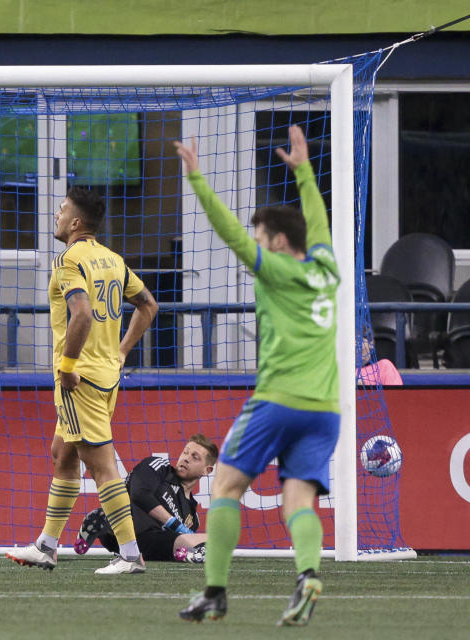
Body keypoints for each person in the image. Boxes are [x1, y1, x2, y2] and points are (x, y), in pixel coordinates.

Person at [173, 126, 339, 626]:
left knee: (224, 485)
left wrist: (198, 179)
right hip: (325, 410)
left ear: (279, 242)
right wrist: (306, 174)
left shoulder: (277, 270)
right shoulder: (327, 266)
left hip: (278, 399)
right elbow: (320, 225)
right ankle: (307, 574)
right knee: (298, 500)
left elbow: (230, 235)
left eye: (263, 237)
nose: (256, 246)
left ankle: (216, 592)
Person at [5, 186, 159, 575]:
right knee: (63, 453)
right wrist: (122, 351)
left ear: (75, 222)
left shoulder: (68, 261)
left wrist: (69, 365)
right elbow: (148, 305)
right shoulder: (113, 259)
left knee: (102, 467)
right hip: (107, 375)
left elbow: (82, 315)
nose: (56, 217)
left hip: (80, 378)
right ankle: (46, 545)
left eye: (61, 211)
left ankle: (129, 554)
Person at [73, 434, 216, 563]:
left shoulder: (192, 517)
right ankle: (102, 522)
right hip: (123, 531)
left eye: (194, 457)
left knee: (215, 539)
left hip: (149, 545)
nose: (186, 458)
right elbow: (139, 494)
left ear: (207, 470)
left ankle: (188, 554)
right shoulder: (160, 468)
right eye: (185, 452)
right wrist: (175, 524)